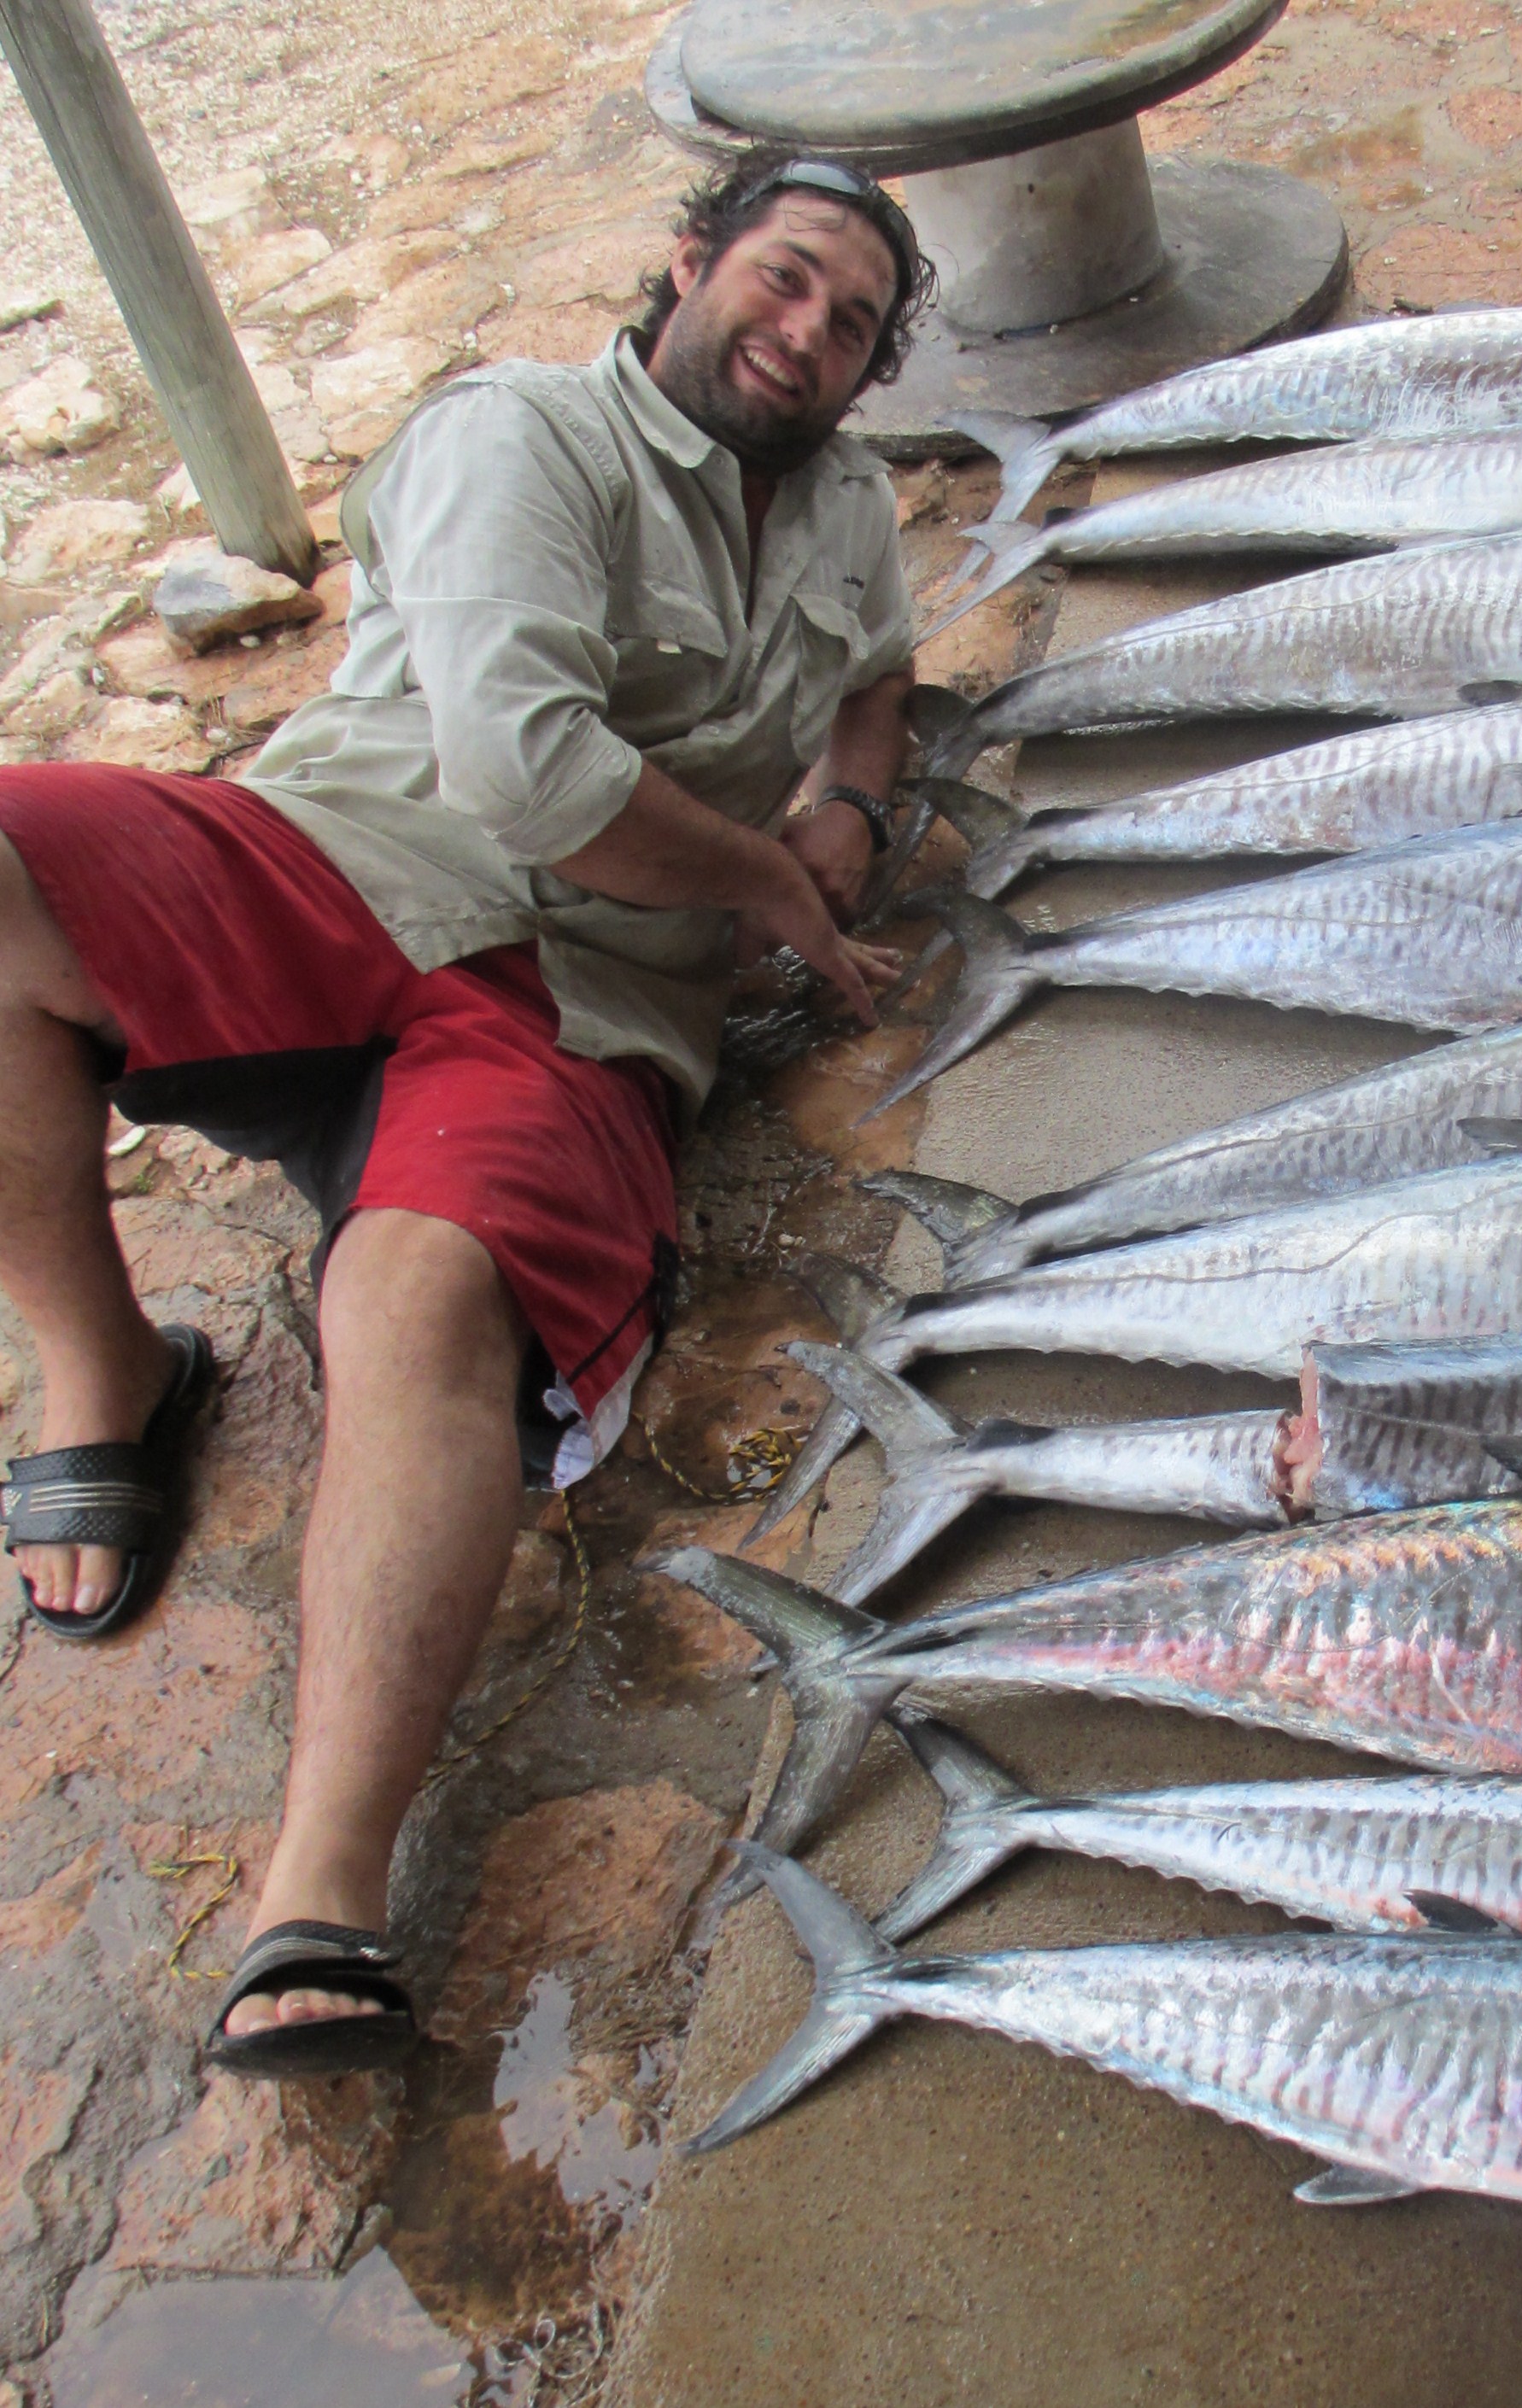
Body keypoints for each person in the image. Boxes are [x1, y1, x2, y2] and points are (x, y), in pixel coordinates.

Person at [0, 150, 934, 2076]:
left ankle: (315, 1891)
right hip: (342, 865)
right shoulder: (520, 432)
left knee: (417, 1295)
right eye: (782, 278)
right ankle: (101, 1369)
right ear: (687, 261)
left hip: (579, 1008)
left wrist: (847, 796)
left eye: (850, 322)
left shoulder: (844, 504)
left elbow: (884, 674)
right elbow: (526, 771)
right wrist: (770, 887)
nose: (805, 333)